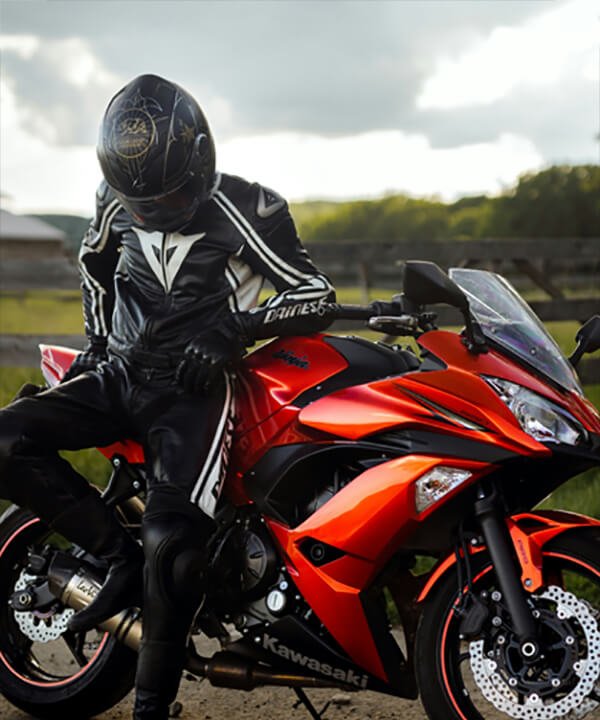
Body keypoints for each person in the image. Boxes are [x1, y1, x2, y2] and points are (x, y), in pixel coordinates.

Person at [0, 74, 335, 719]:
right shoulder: (112, 199)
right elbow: (94, 266)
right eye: (139, 202)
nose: (152, 210)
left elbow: (314, 294)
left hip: (192, 397)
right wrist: (97, 345)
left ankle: (150, 707)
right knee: (5, 439)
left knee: (175, 552)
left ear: (201, 158)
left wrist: (235, 329)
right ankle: (116, 558)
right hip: (116, 374)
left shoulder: (251, 206)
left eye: (170, 196)